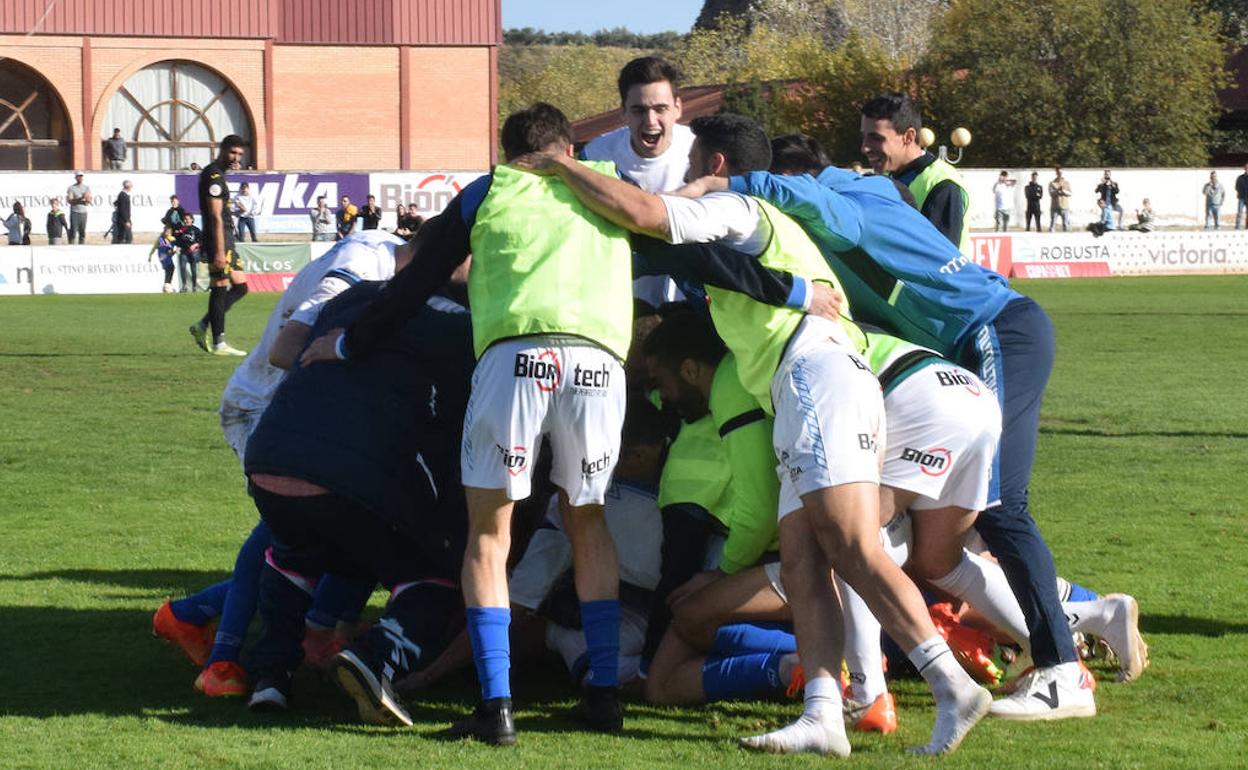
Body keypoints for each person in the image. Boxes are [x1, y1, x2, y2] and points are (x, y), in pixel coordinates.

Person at [521, 113, 993, 757]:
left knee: (854, 544)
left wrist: (562, 163)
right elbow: (670, 249)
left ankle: (950, 684)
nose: (684, 180)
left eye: (692, 168)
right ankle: (823, 714)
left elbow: (648, 216)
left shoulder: (739, 207)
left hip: (815, 375)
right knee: (804, 560)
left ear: (717, 166)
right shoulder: (753, 232)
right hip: (801, 386)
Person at [696, 131, 1100, 724]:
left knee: (1000, 508)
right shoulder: (866, 190)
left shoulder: (841, 201)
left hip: (989, 330)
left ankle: (1063, 671)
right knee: (938, 550)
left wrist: (726, 184)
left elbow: (818, 205)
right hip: (972, 344)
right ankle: (1086, 625)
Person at [303, 103, 637, 746]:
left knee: (490, 531)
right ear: (569, 149)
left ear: (506, 152)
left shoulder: (490, 189)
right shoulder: (607, 190)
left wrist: (349, 344)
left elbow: (417, 281)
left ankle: (496, 707)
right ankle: (604, 695)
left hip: (515, 358)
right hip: (600, 362)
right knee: (587, 520)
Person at [152, 229, 415, 698]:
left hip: (300, 413)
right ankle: (223, 660)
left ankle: (191, 615)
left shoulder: (386, 257)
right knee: (288, 527)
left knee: (328, 528)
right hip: (264, 405)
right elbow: (287, 348)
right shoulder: (363, 261)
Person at [241, 277, 474, 715]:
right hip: (359, 475)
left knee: (290, 557)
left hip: (271, 456)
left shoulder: (356, 295)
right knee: (433, 576)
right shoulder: (465, 325)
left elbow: (290, 349)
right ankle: (374, 657)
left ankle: (270, 676)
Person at [583, 56, 698, 308]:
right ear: (622, 111)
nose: (650, 121)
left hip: (689, 302)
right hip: (618, 302)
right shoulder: (596, 156)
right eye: (639, 110)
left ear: (678, 108)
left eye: (660, 108)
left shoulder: (700, 151)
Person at [861, 93, 969, 254]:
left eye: (876, 138)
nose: (865, 147)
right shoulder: (884, 178)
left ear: (908, 136)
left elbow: (940, 263)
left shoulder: (942, 184)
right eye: (864, 137)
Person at [187, 135, 250, 357]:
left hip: (226, 237)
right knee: (221, 286)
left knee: (241, 287)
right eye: (233, 152)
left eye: (240, 154)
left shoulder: (219, 175)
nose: (236, 157)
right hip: (218, 238)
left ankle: (203, 325)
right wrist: (220, 251)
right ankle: (218, 343)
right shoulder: (213, 175)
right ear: (222, 150)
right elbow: (215, 216)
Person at [174, 213, 203, 293]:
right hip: (184, 251)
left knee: (193, 269)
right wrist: (178, 246)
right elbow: (177, 240)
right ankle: (184, 286)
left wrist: (195, 245)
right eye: (185, 219)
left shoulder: (196, 230)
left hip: (194, 252)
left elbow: (202, 241)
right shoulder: (181, 230)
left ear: (192, 220)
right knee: (182, 267)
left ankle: (194, 286)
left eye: (188, 219)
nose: (186, 220)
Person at [149, 226, 179, 292]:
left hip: (166, 256)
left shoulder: (171, 239)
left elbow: (170, 250)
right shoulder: (162, 239)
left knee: (170, 269)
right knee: (170, 268)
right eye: (166, 231)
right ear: (164, 232)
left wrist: (174, 251)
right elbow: (156, 247)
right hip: (164, 256)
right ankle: (167, 285)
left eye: (169, 232)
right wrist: (150, 255)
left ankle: (167, 285)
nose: (168, 233)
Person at [66, 172, 91, 244]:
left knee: (82, 232)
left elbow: (87, 201)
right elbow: (70, 201)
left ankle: (81, 247)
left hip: (83, 212)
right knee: (73, 232)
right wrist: (81, 198)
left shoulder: (86, 188)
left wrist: (86, 199)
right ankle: (71, 246)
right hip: (75, 212)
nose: (80, 178)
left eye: (81, 176)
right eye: (78, 176)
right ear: (75, 178)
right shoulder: (71, 188)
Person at [1048, 167, 1072, 232]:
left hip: (1064, 206)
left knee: (1066, 224)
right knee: (1052, 224)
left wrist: (1063, 191)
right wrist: (1058, 190)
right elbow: (1051, 193)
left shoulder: (1066, 182)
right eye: (1058, 172)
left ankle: (1066, 239)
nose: (1059, 174)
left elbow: (1070, 193)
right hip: (1054, 206)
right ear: (1056, 173)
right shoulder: (1052, 183)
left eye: (1061, 172)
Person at [1235, 163, 1248, 230]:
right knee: (1240, 213)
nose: (1247, 169)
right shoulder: (1240, 177)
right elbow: (1236, 186)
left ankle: (1247, 227)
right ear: (1244, 169)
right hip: (1242, 198)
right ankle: (1237, 226)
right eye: (1246, 168)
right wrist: (1240, 193)